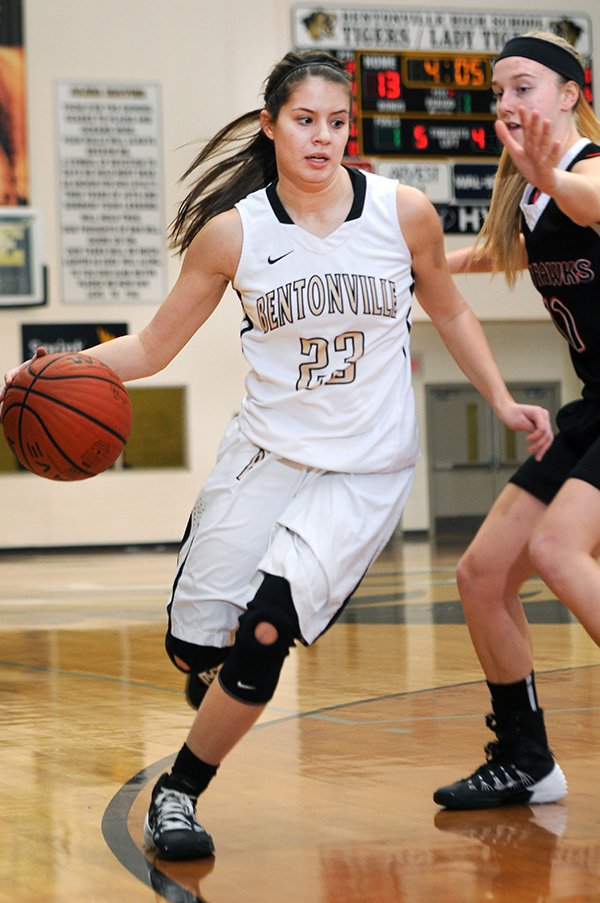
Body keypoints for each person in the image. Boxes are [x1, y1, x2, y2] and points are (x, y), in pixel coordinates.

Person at [1, 49, 552, 860]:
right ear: (271, 125)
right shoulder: (235, 233)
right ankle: (208, 663)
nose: (323, 138)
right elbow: (153, 347)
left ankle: (178, 793)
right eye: (305, 121)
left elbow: (454, 313)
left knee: (266, 631)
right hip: (265, 456)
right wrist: (44, 373)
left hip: (364, 469)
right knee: (198, 645)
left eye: (337, 123)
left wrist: (501, 399)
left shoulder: (404, 213)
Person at [433, 31, 600, 810]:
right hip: (591, 410)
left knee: (559, 550)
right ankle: (526, 758)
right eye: (499, 91)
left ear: (570, 93)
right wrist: (386, 257)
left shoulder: (584, 170)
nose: (506, 103)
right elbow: (481, 257)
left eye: (523, 86)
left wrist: (545, 170)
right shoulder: (530, 193)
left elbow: (592, 205)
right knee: (482, 575)